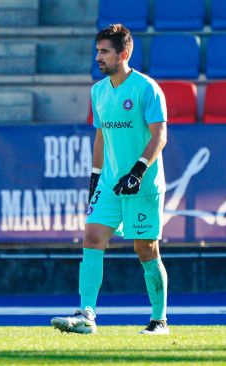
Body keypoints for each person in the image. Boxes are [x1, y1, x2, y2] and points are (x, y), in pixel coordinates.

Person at [51, 24, 169, 335]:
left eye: (104, 51)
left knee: (146, 249)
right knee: (92, 237)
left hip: (142, 184)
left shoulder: (147, 88)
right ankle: (86, 314)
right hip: (110, 184)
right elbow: (101, 138)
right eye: (97, 50)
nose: (98, 56)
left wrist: (138, 171)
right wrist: (94, 178)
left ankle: (159, 321)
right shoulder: (98, 91)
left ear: (123, 54)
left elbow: (160, 136)